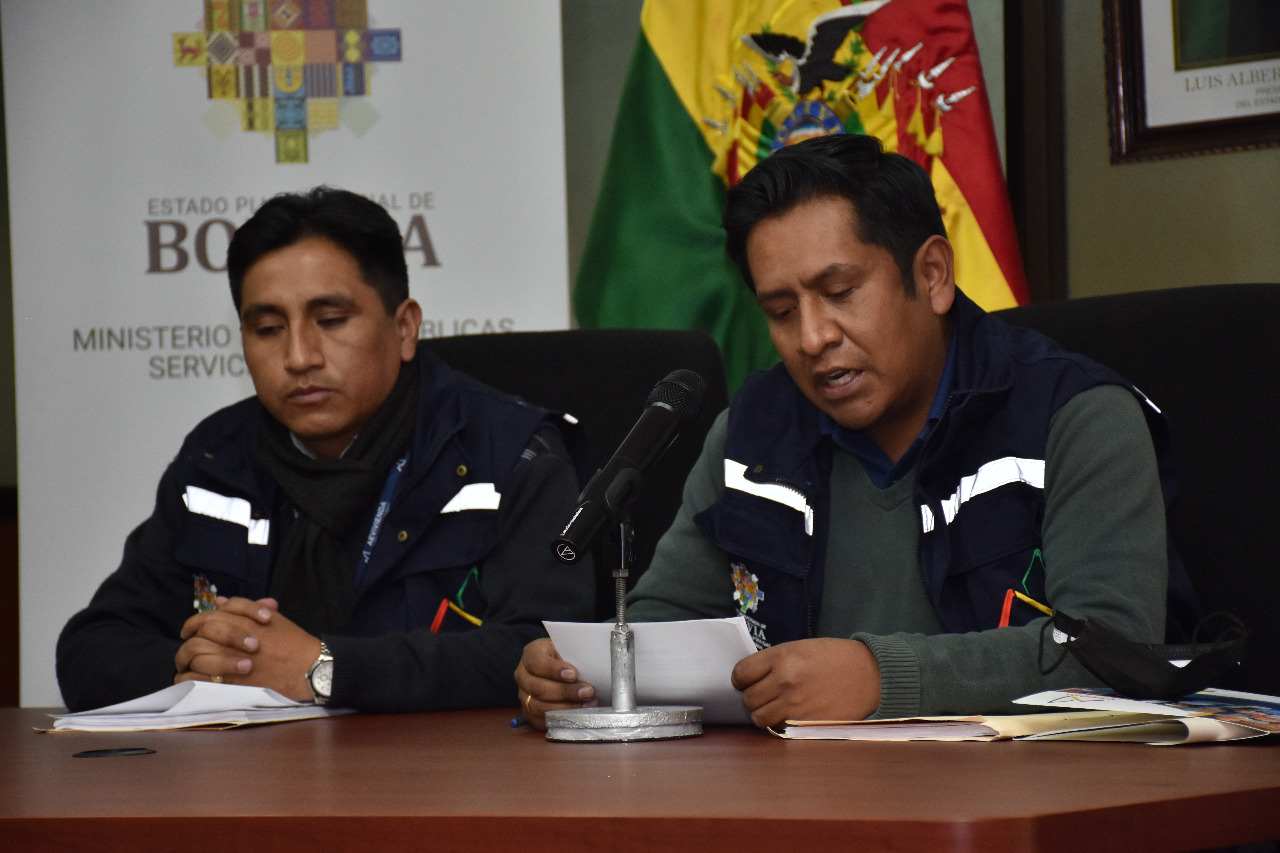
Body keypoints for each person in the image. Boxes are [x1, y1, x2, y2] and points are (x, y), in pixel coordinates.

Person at [516, 133, 1198, 728]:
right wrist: (587, 674)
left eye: (840, 293)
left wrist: (883, 677)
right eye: (781, 311)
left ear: (932, 275)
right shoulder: (751, 433)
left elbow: (1115, 649)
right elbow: (668, 617)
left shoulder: (1076, 416)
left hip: (1028, 799)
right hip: (799, 798)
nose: (813, 337)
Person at [58, 187, 594, 713]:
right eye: (268, 328)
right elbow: (90, 650)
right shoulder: (216, 461)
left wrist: (326, 669)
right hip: (259, 766)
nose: (299, 357)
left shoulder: (511, 453)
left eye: (331, 321)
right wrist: (206, 665)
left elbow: (548, 650)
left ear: (405, 327)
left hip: (445, 765)